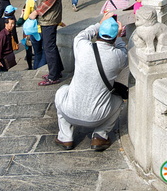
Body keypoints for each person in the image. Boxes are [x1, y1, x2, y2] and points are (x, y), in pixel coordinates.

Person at [54, 16, 127, 151]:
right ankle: (100, 136)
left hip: (69, 111)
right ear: (114, 38)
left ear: (99, 34)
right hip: (97, 117)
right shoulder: (118, 57)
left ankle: (65, 137)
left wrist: (98, 25)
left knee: (62, 90)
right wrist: (119, 35)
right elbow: (123, 49)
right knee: (118, 101)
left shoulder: (81, 46)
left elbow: (83, 34)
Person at [28, 0, 64, 86]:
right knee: (50, 45)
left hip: (49, 16)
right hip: (46, 16)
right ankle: (57, 70)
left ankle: (53, 76)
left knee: (48, 46)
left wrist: (37, 12)